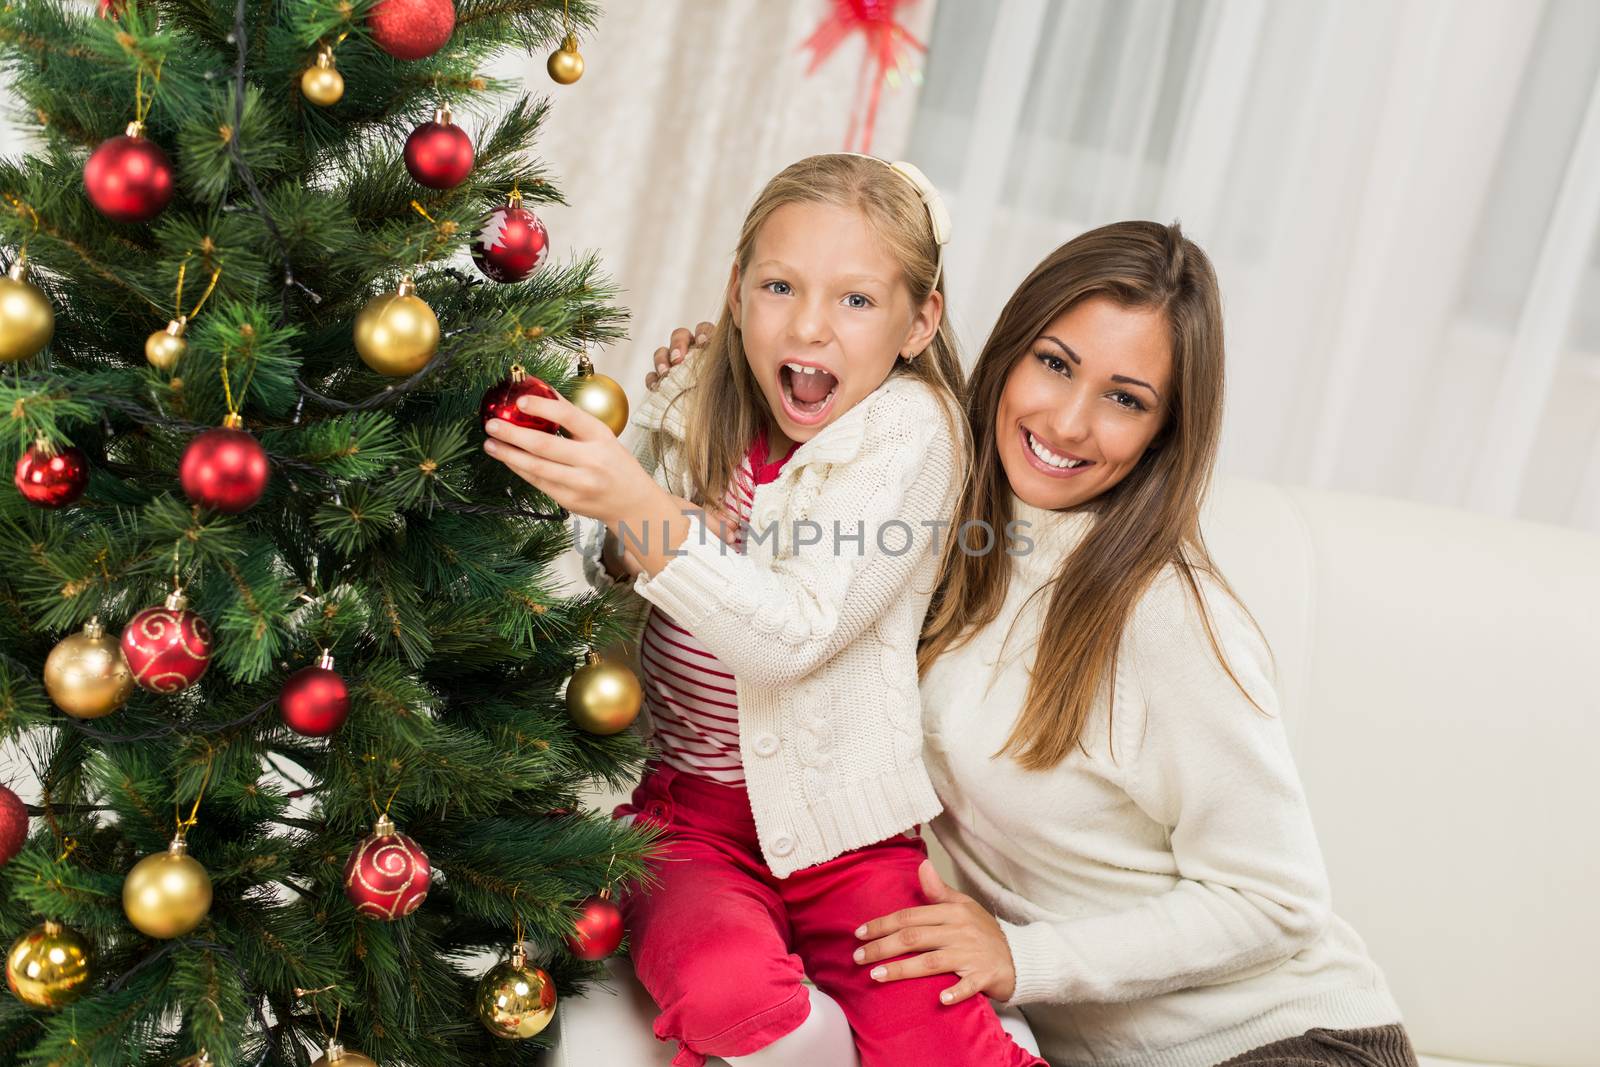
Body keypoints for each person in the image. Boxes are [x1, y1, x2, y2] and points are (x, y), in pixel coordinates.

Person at [650, 221, 1418, 1067]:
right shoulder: (928, 524)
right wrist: (712, 378)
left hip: (1289, 1042)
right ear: (1009, 353)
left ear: (1165, 432)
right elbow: (783, 566)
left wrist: (1025, 958)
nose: (1070, 420)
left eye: (1125, 398)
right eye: (1054, 363)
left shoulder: (1162, 612)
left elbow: (1278, 899)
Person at [483, 153, 1045, 1067]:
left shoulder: (910, 433)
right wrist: (632, 522)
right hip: (690, 822)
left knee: (944, 1047)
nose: (811, 325)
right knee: (729, 998)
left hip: (850, 838)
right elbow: (612, 565)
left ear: (920, 321)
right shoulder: (704, 399)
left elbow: (795, 631)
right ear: (739, 290)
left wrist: (643, 511)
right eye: (780, 286)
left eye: (856, 300)